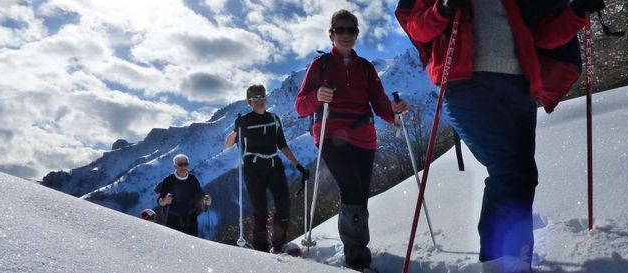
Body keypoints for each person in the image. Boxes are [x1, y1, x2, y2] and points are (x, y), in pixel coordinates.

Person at [396, 0, 605, 271]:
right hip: (465, 85)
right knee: (509, 168)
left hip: (519, 86)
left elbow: (544, 35)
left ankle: (517, 261)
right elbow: (418, 27)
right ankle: (500, 263)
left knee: (524, 173)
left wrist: (577, 12)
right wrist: (443, 8)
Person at [295, 10, 408, 272]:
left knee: (360, 194)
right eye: (340, 30)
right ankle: (358, 259)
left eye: (351, 30)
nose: (346, 35)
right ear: (332, 34)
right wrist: (317, 96)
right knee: (352, 189)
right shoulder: (320, 65)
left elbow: (380, 104)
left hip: (364, 137)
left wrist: (394, 110)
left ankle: (357, 252)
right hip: (331, 135)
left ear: (357, 33)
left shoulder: (365, 68)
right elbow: (300, 106)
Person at [225, 84, 309, 254]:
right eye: (255, 97)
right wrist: (236, 129)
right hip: (253, 167)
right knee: (260, 209)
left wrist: (298, 166)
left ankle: (279, 244)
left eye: (262, 96)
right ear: (249, 101)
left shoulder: (274, 119)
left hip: (274, 165)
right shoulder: (245, 121)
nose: (260, 100)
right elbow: (228, 144)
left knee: (284, 203)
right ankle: (261, 250)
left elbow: (282, 145)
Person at [156, 154, 212, 236]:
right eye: (180, 164)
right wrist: (164, 201)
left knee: (192, 245)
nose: (183, 167)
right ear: (175, 166)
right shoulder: (169, 181)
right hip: (173, 221)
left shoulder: (193, 180)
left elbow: (200, 197)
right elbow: (159, 201)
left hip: (191, 221)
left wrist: (206, 200)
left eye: (185, 164)